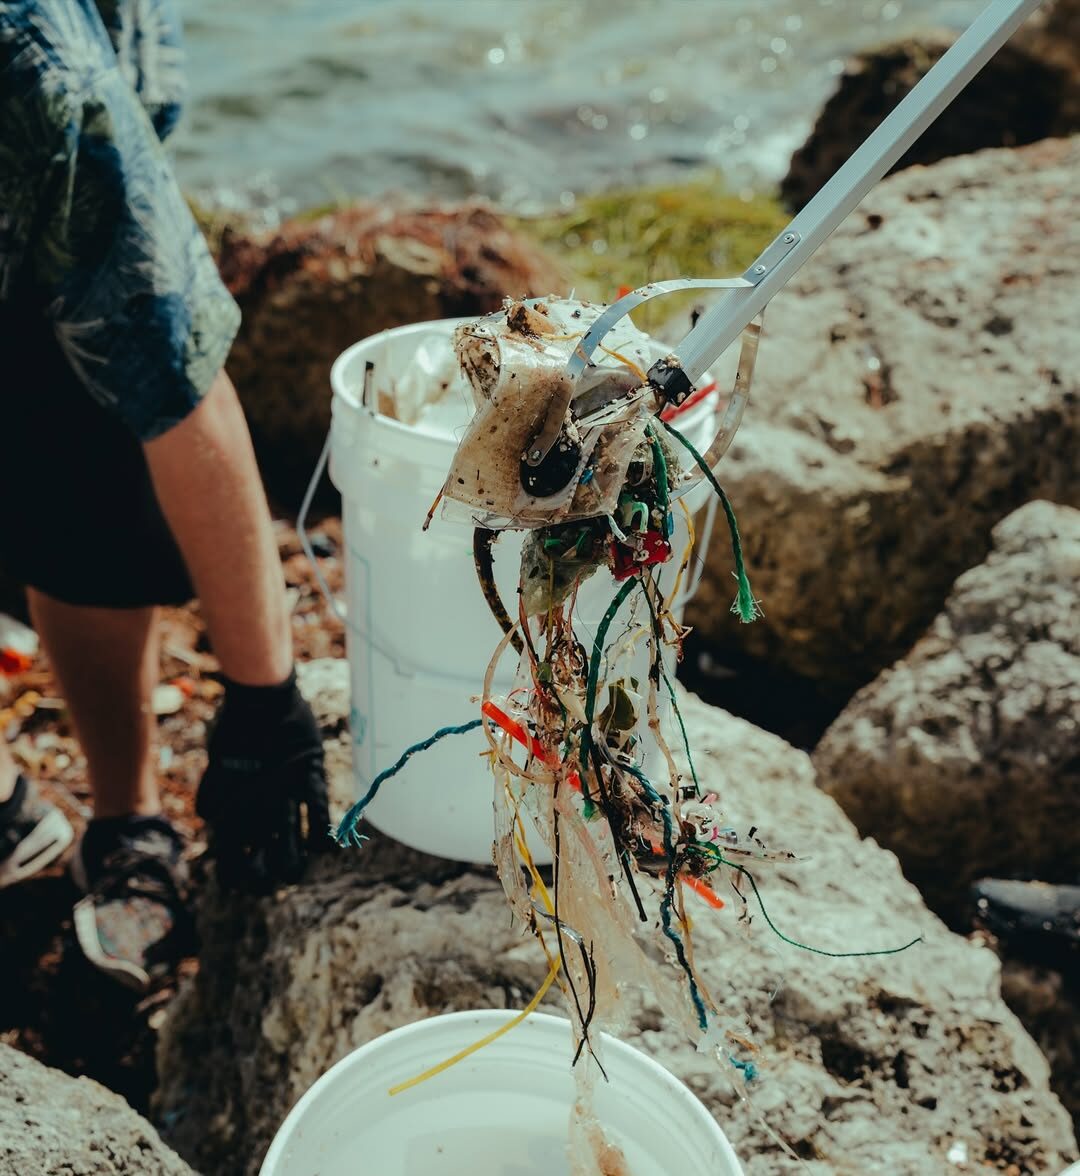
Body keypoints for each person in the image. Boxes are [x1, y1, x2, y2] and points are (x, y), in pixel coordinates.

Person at [0, 0, 331, 991]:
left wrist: (265, 703)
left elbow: (172, 365)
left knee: (78, 422)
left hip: (59, 125)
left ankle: (127, 819)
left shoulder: (36, 81)